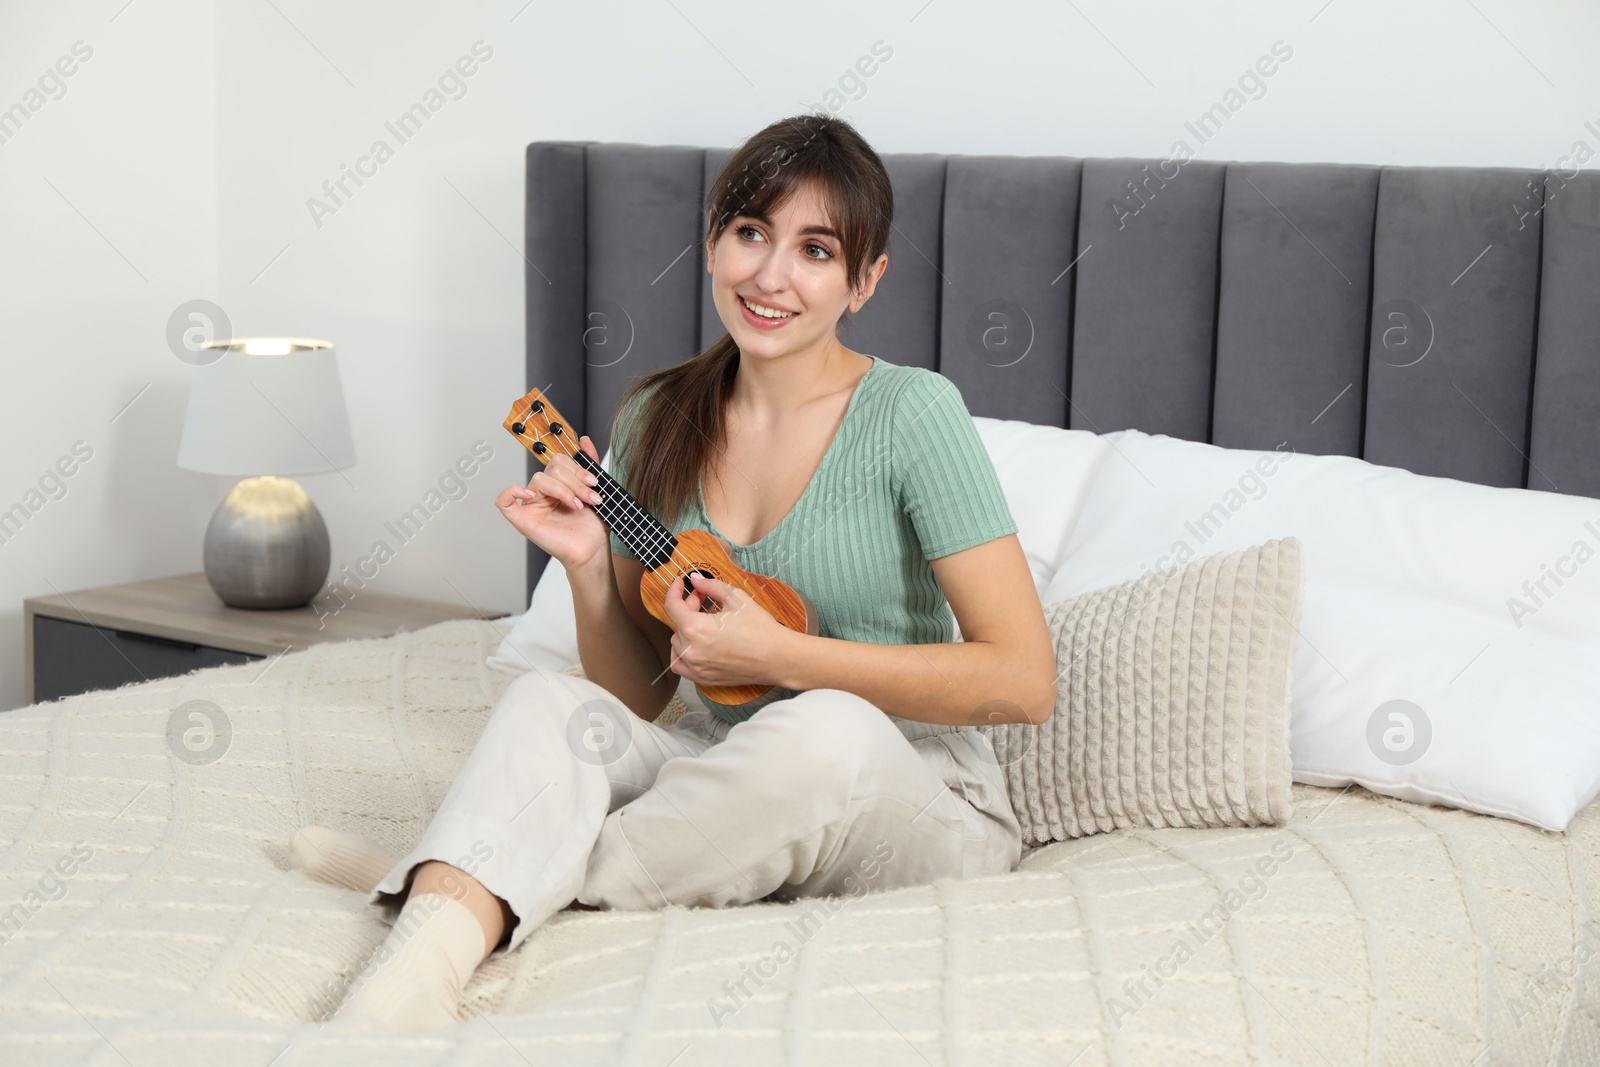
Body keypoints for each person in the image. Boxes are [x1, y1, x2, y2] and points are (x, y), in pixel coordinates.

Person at [288, 112, 1058, 1032]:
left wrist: (788, 655)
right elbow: (639, 695)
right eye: (749, 234)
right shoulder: (657, 413)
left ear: (864, 280)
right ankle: (405, 989)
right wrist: (580, 568)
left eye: (815, 250)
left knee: (824, 729)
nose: (770, 276)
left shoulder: (914, 414)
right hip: (724, 767)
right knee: (547, 704)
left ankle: (466, 882)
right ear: (711, 244)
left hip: (918, 796)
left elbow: (1024, 679)